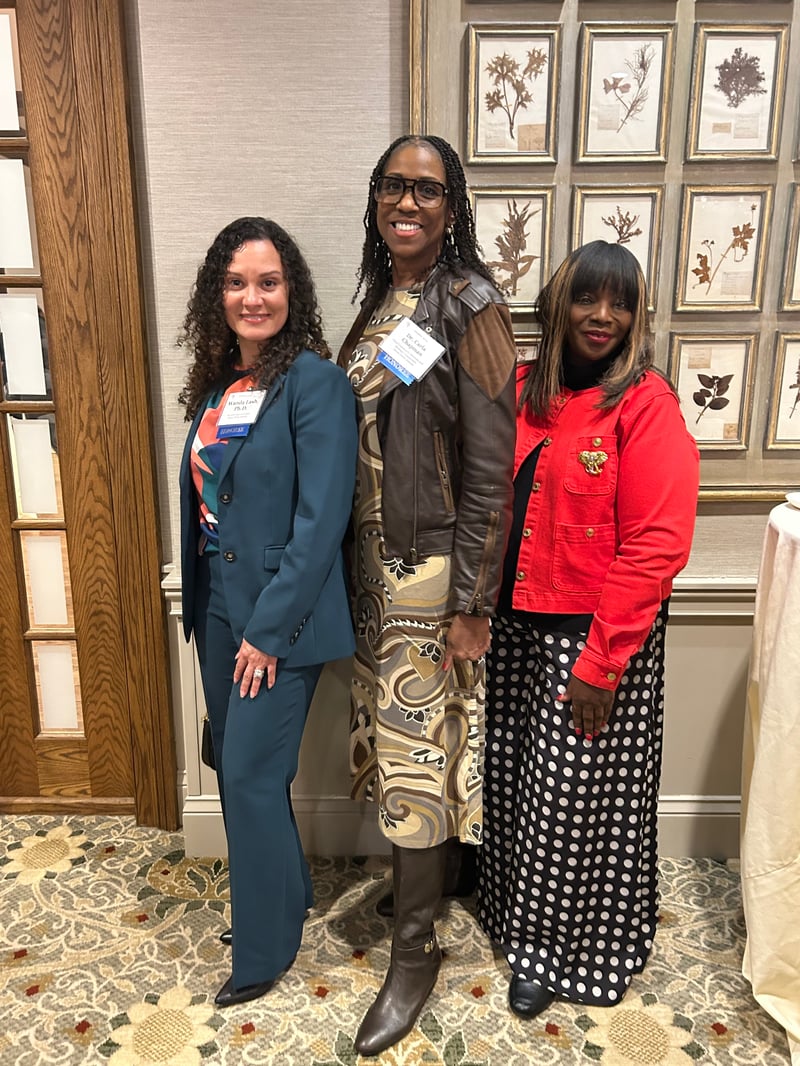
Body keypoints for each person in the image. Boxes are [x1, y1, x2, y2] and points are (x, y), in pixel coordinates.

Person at [477, 240, 700, 1019]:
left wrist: (601, 663)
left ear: (637, 316)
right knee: (516, 787)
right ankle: (513, 917)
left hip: (592, 639)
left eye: (620, 303)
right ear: (558, 303)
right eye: (586, 298)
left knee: (574, 803)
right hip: (513, 628)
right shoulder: (519, 392)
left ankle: (560, 951)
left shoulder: (644, 404)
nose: (601, 316)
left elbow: (657, 543)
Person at [339, 134, 517, 1056]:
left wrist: (475, 601)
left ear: (454, 207)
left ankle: (416, 952)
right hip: (375, 569)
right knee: (402, 746)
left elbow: (493, 469)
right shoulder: (382, 302)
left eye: (429, 190)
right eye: (395, 186)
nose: (409, 201)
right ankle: (421, 891)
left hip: (431, 573)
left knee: (421, 757)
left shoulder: (472, 304)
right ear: (377, 198)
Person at [178, 217, 357, 1008]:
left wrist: (266, 630)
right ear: (217, 294)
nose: (253, 297)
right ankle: (283, 902)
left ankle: (261, 952)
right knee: (246, 771)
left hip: (275, 620)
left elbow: (322, 523)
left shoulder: (313, 383)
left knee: (250, 775)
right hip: (217, 606)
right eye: (237, 282)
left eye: (269, 281)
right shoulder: (221, 388)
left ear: (294, 291)